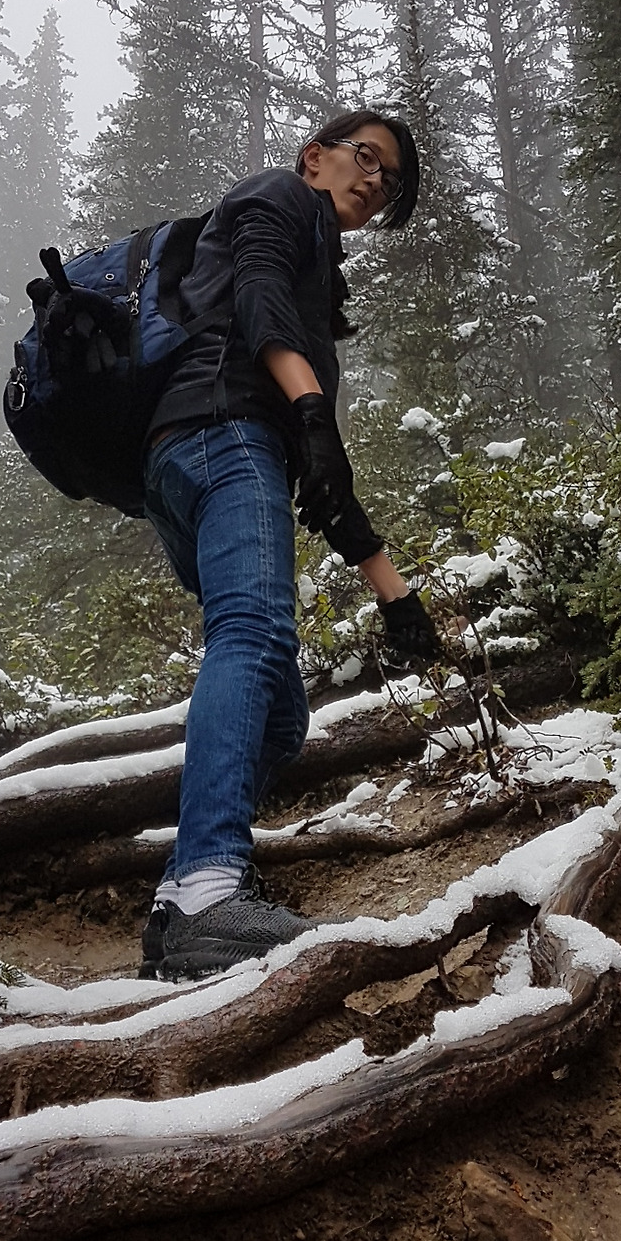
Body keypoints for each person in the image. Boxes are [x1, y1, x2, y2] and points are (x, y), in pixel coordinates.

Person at [139, 108, 441, 982]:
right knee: (252, 635)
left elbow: (324, 483)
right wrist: (308, 407)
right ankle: (209, 887)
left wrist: (397, 598)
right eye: (367, 158)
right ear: (315, 157)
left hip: (196, 456)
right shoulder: (278, 198)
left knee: (281, 712)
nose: (377, 181)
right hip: (223, 435)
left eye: (390, 179)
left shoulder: (316, 283)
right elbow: (259, 294)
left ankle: (179, 900)